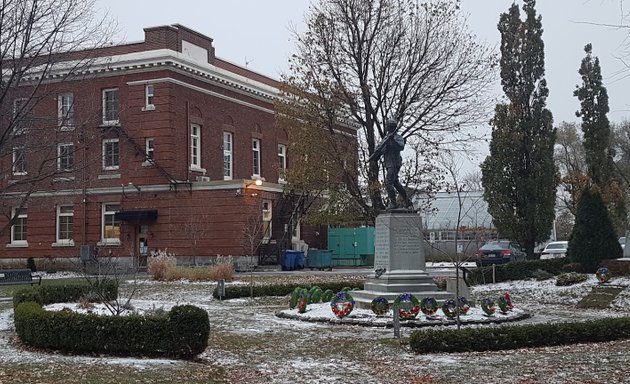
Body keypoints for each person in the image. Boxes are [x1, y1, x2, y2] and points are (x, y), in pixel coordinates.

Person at [370, 119, 413, 210]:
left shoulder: (397, 137)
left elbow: (401, 147)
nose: (386, 127)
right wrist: (375, 156)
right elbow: (380, 149)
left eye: (387, 125)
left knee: (389, 182)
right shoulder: (386, 138)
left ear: (390, 127)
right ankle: (407, 201)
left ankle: (393, 203)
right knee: (395, 183)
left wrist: (392, 140)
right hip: (388, 162)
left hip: (395, 162)